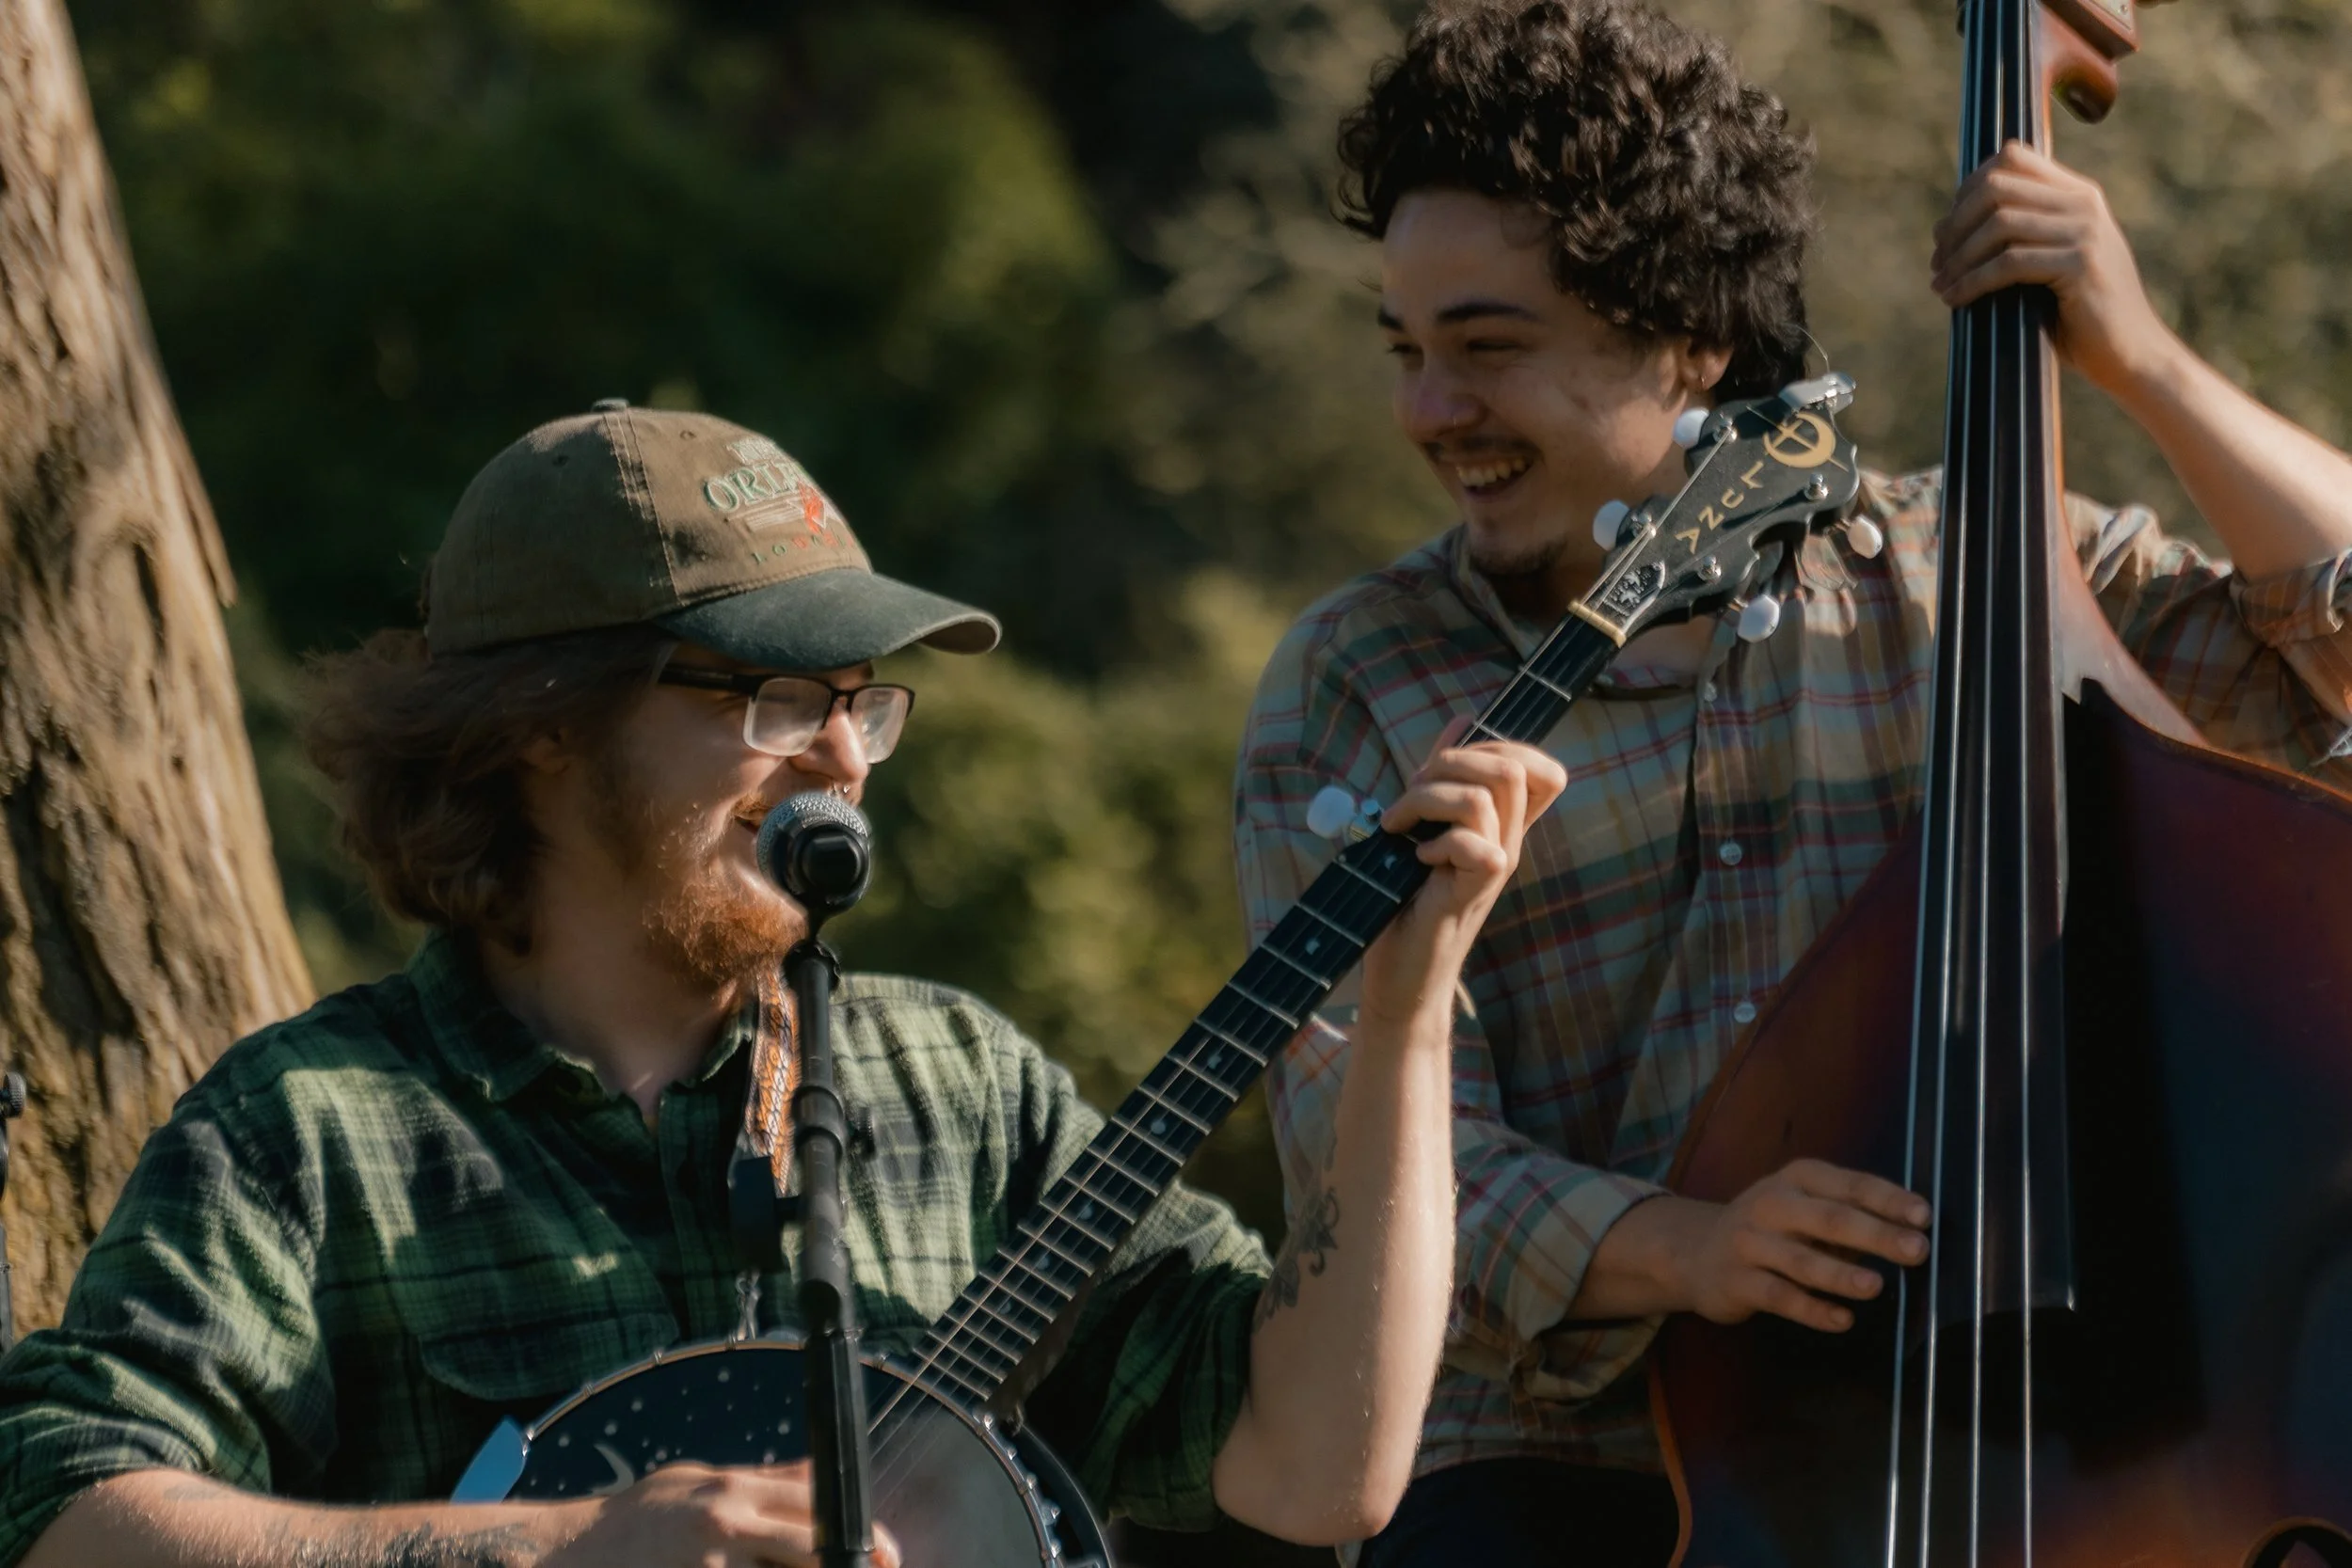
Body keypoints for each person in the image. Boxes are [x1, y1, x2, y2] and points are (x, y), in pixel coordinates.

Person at [0, 400, 1566, 1568]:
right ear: (542, 723)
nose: (840, 755)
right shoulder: (310, 1133)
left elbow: (1322, 1466)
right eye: (769, 696)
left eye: (858, 704)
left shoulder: (956, 1085)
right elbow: (64, 1512)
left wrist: (1411, 1003)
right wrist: (544, 1549)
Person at [1232, 4, 2352, 1563]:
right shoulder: (1358, 679)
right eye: (1409, 353)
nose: (1430, 411)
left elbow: (2336, 657)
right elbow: (1370, 1153)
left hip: (2046, 1443)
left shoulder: (1995, 572)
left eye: (1488, 349)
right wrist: (1692, 1249)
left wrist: (2140, 357)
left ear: (1691, 337)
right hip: (1572, 1461)